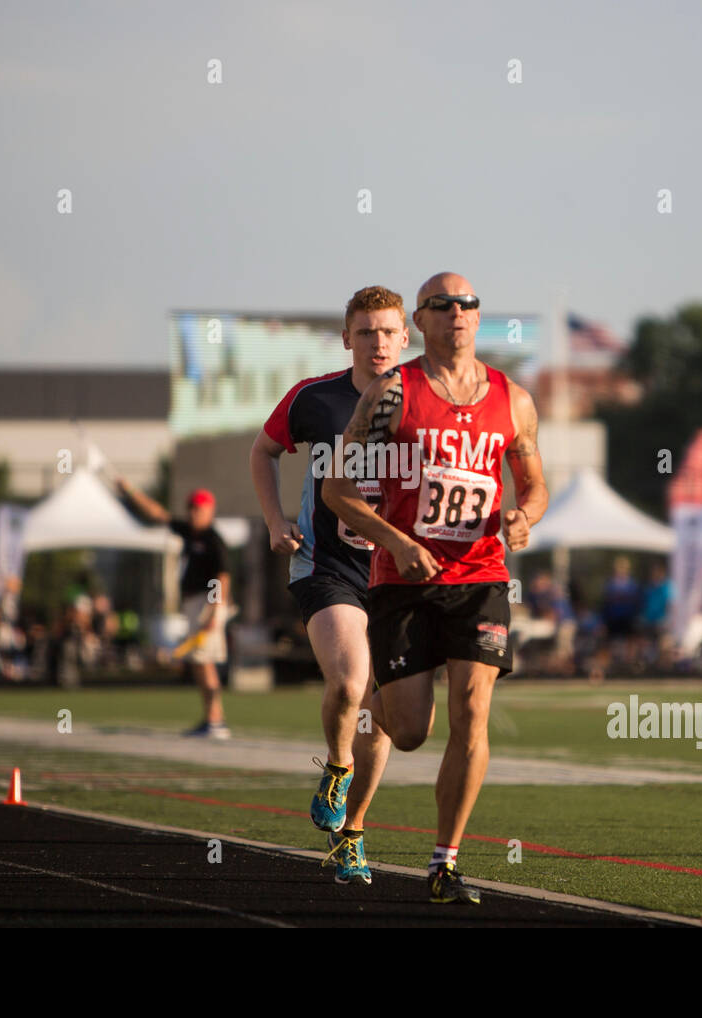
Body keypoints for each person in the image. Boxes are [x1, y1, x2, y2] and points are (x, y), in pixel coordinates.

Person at [324, 272, 548, 904]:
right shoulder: (393, 393)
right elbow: (336, 490)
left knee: (472, 710)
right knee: (412, 729)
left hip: (480, 575)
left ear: (479, 318)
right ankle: (376, 696)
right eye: (442, 304)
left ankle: (445, 863)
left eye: (467, 303)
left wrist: (523, 517)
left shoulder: (514, 399)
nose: (457, 312)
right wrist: (396, 541)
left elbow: (535, 485)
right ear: (420, 321)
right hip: (404, 578)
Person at [249, 284, 407, 885]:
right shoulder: (316, 399)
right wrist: (274, 522)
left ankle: (354, 835)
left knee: (385, 712)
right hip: (327, 567)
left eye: (388, 331)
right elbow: (262, 452)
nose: (378, 343)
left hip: (395, 574)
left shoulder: (424, 405)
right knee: (348, 685)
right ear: (347, 339)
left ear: (404, 337)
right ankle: (338, 768)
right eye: (365, 332)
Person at [118, 482, 232, 738]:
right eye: (191, 508)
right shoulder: (189, 532)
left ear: (209, 510)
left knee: (204, 662)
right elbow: (158, 513)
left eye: (199, 509)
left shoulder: (214, 539)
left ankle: (216, 721)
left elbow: (223, 577)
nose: (194, 513)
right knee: (200, 663)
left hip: (208, 603)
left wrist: (214, 612)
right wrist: (131, 492)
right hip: (195, 603)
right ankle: (212, 719)